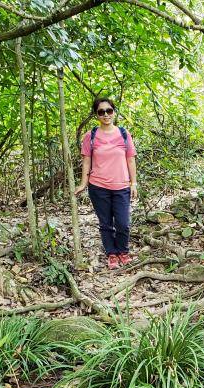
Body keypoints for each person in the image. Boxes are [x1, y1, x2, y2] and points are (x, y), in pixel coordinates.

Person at [75, 97, 138, 270]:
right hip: (98, 187)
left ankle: (123, 252)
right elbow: (86, 161)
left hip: (121, 186)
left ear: (114, 112)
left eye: (108, 111)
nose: (105, 115)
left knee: (123, 223)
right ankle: (111, 254)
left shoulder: (124, 133)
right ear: (96, 115)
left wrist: (134, 183)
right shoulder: (91, 135)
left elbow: (130, 160)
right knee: (105, 223)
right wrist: (83, 183)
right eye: (101, 112)